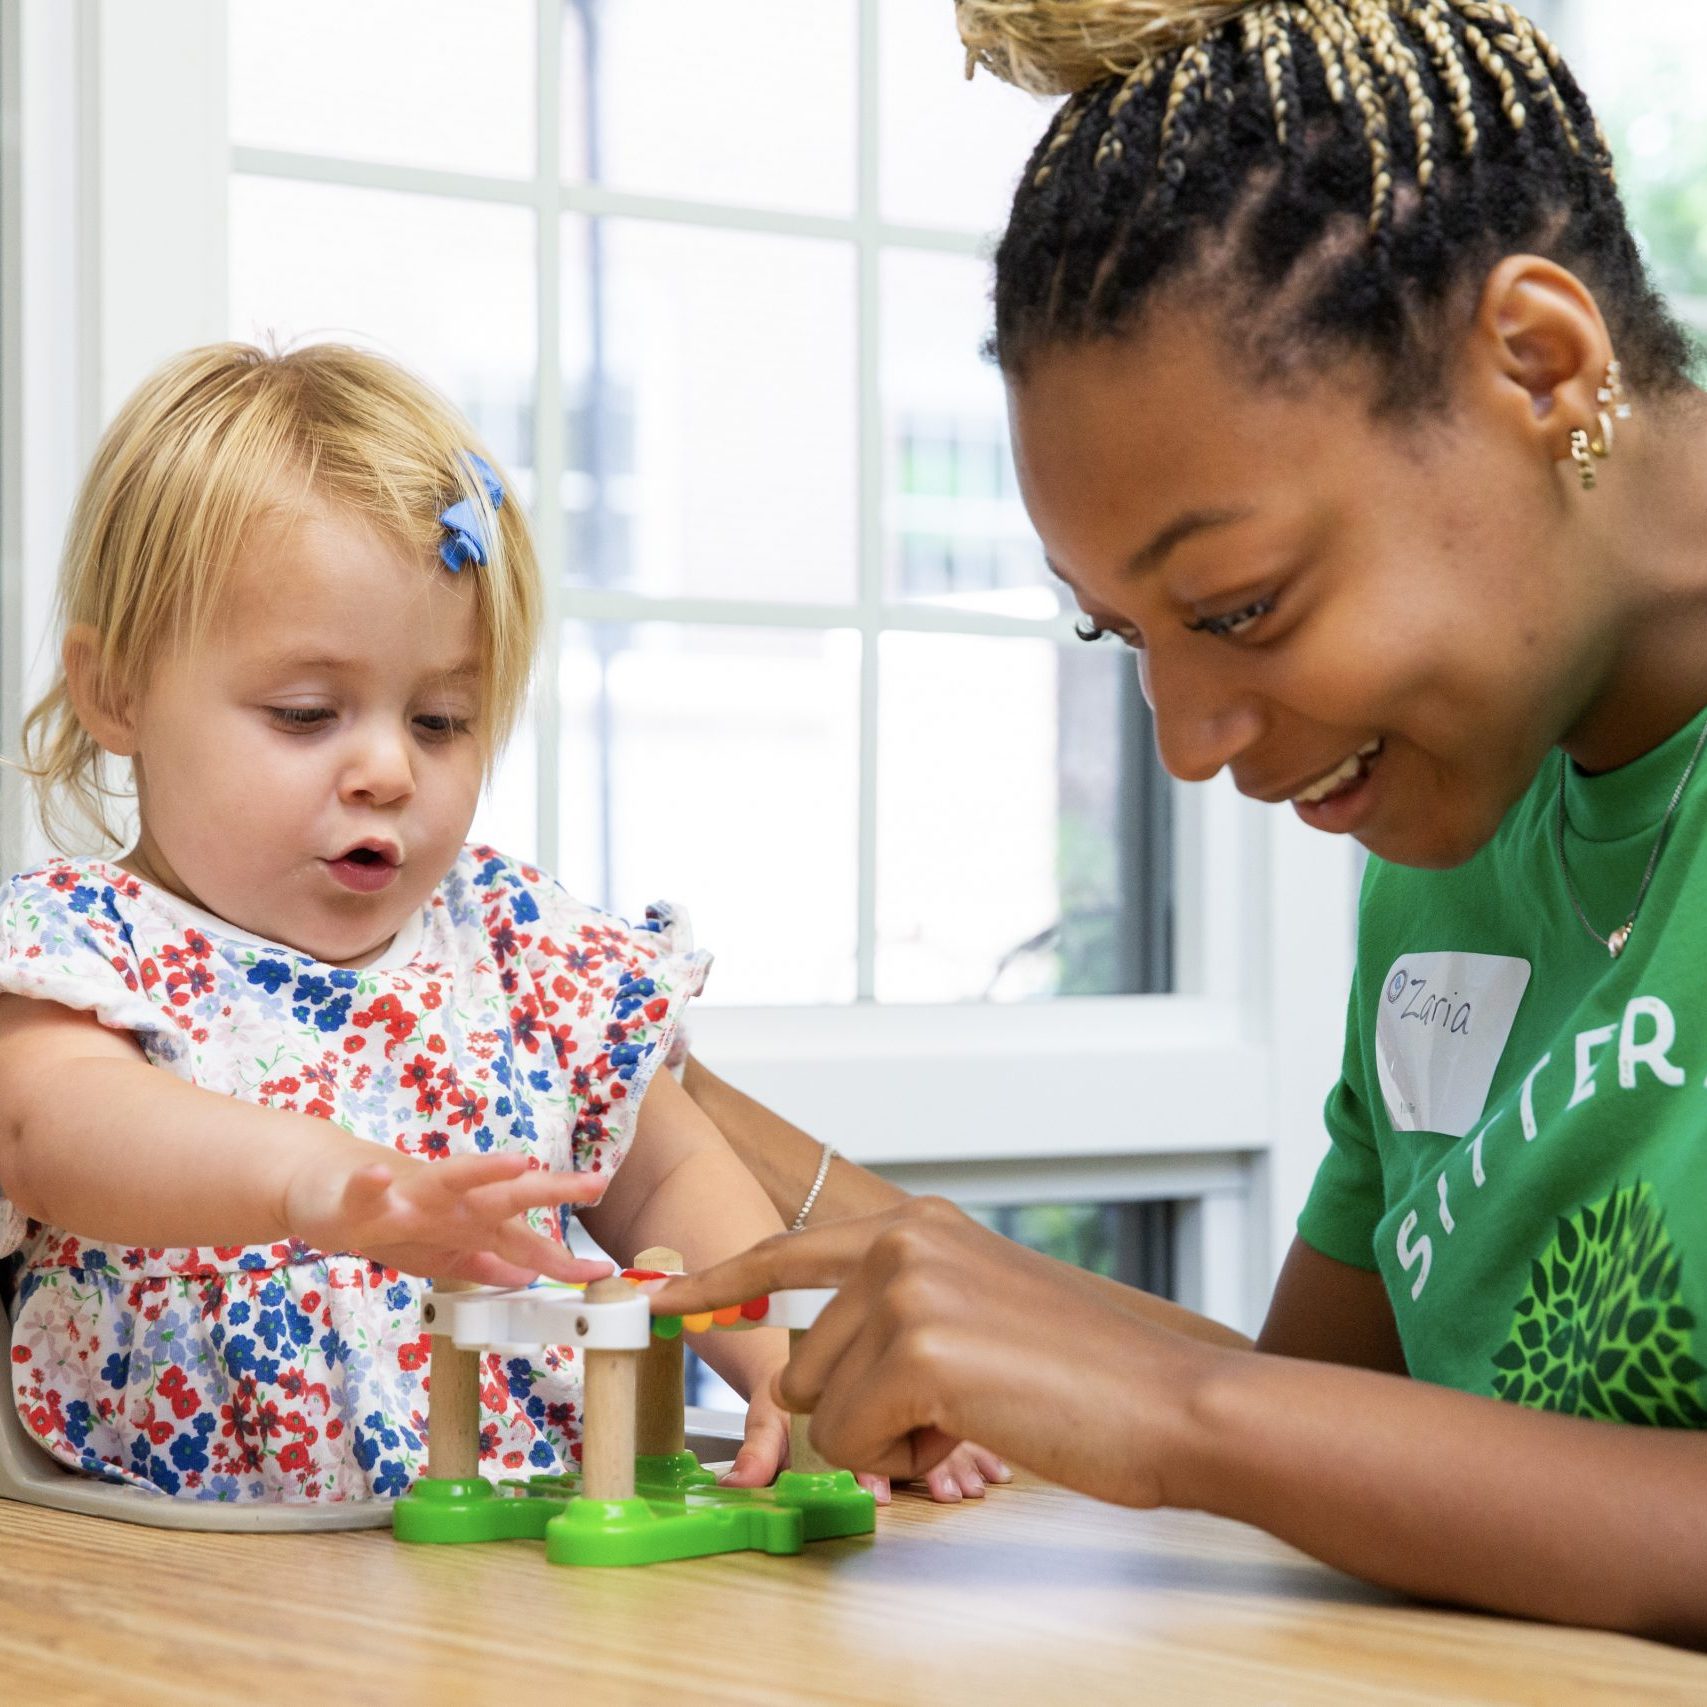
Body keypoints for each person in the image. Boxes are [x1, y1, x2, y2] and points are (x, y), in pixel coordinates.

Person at [660, 0, 1707, 1644]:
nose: (1192, 745)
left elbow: (1222, 1428)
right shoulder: (1462, 833)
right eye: (1118, 635)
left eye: (1236, 604)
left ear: (1539, 367)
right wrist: (674, 1107)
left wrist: (1167, 1417)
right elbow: (1332, 1435)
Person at [0, 342, 813, 1502]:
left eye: (440, 721)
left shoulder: (519, 949)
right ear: (116, 691)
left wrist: (786, 1369)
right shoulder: (84, 946)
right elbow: (48, 1128)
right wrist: (318, 1185)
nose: (387, 766)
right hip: (187, 1587)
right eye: (306, 714)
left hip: (523, 1549)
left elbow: (670, 1176)